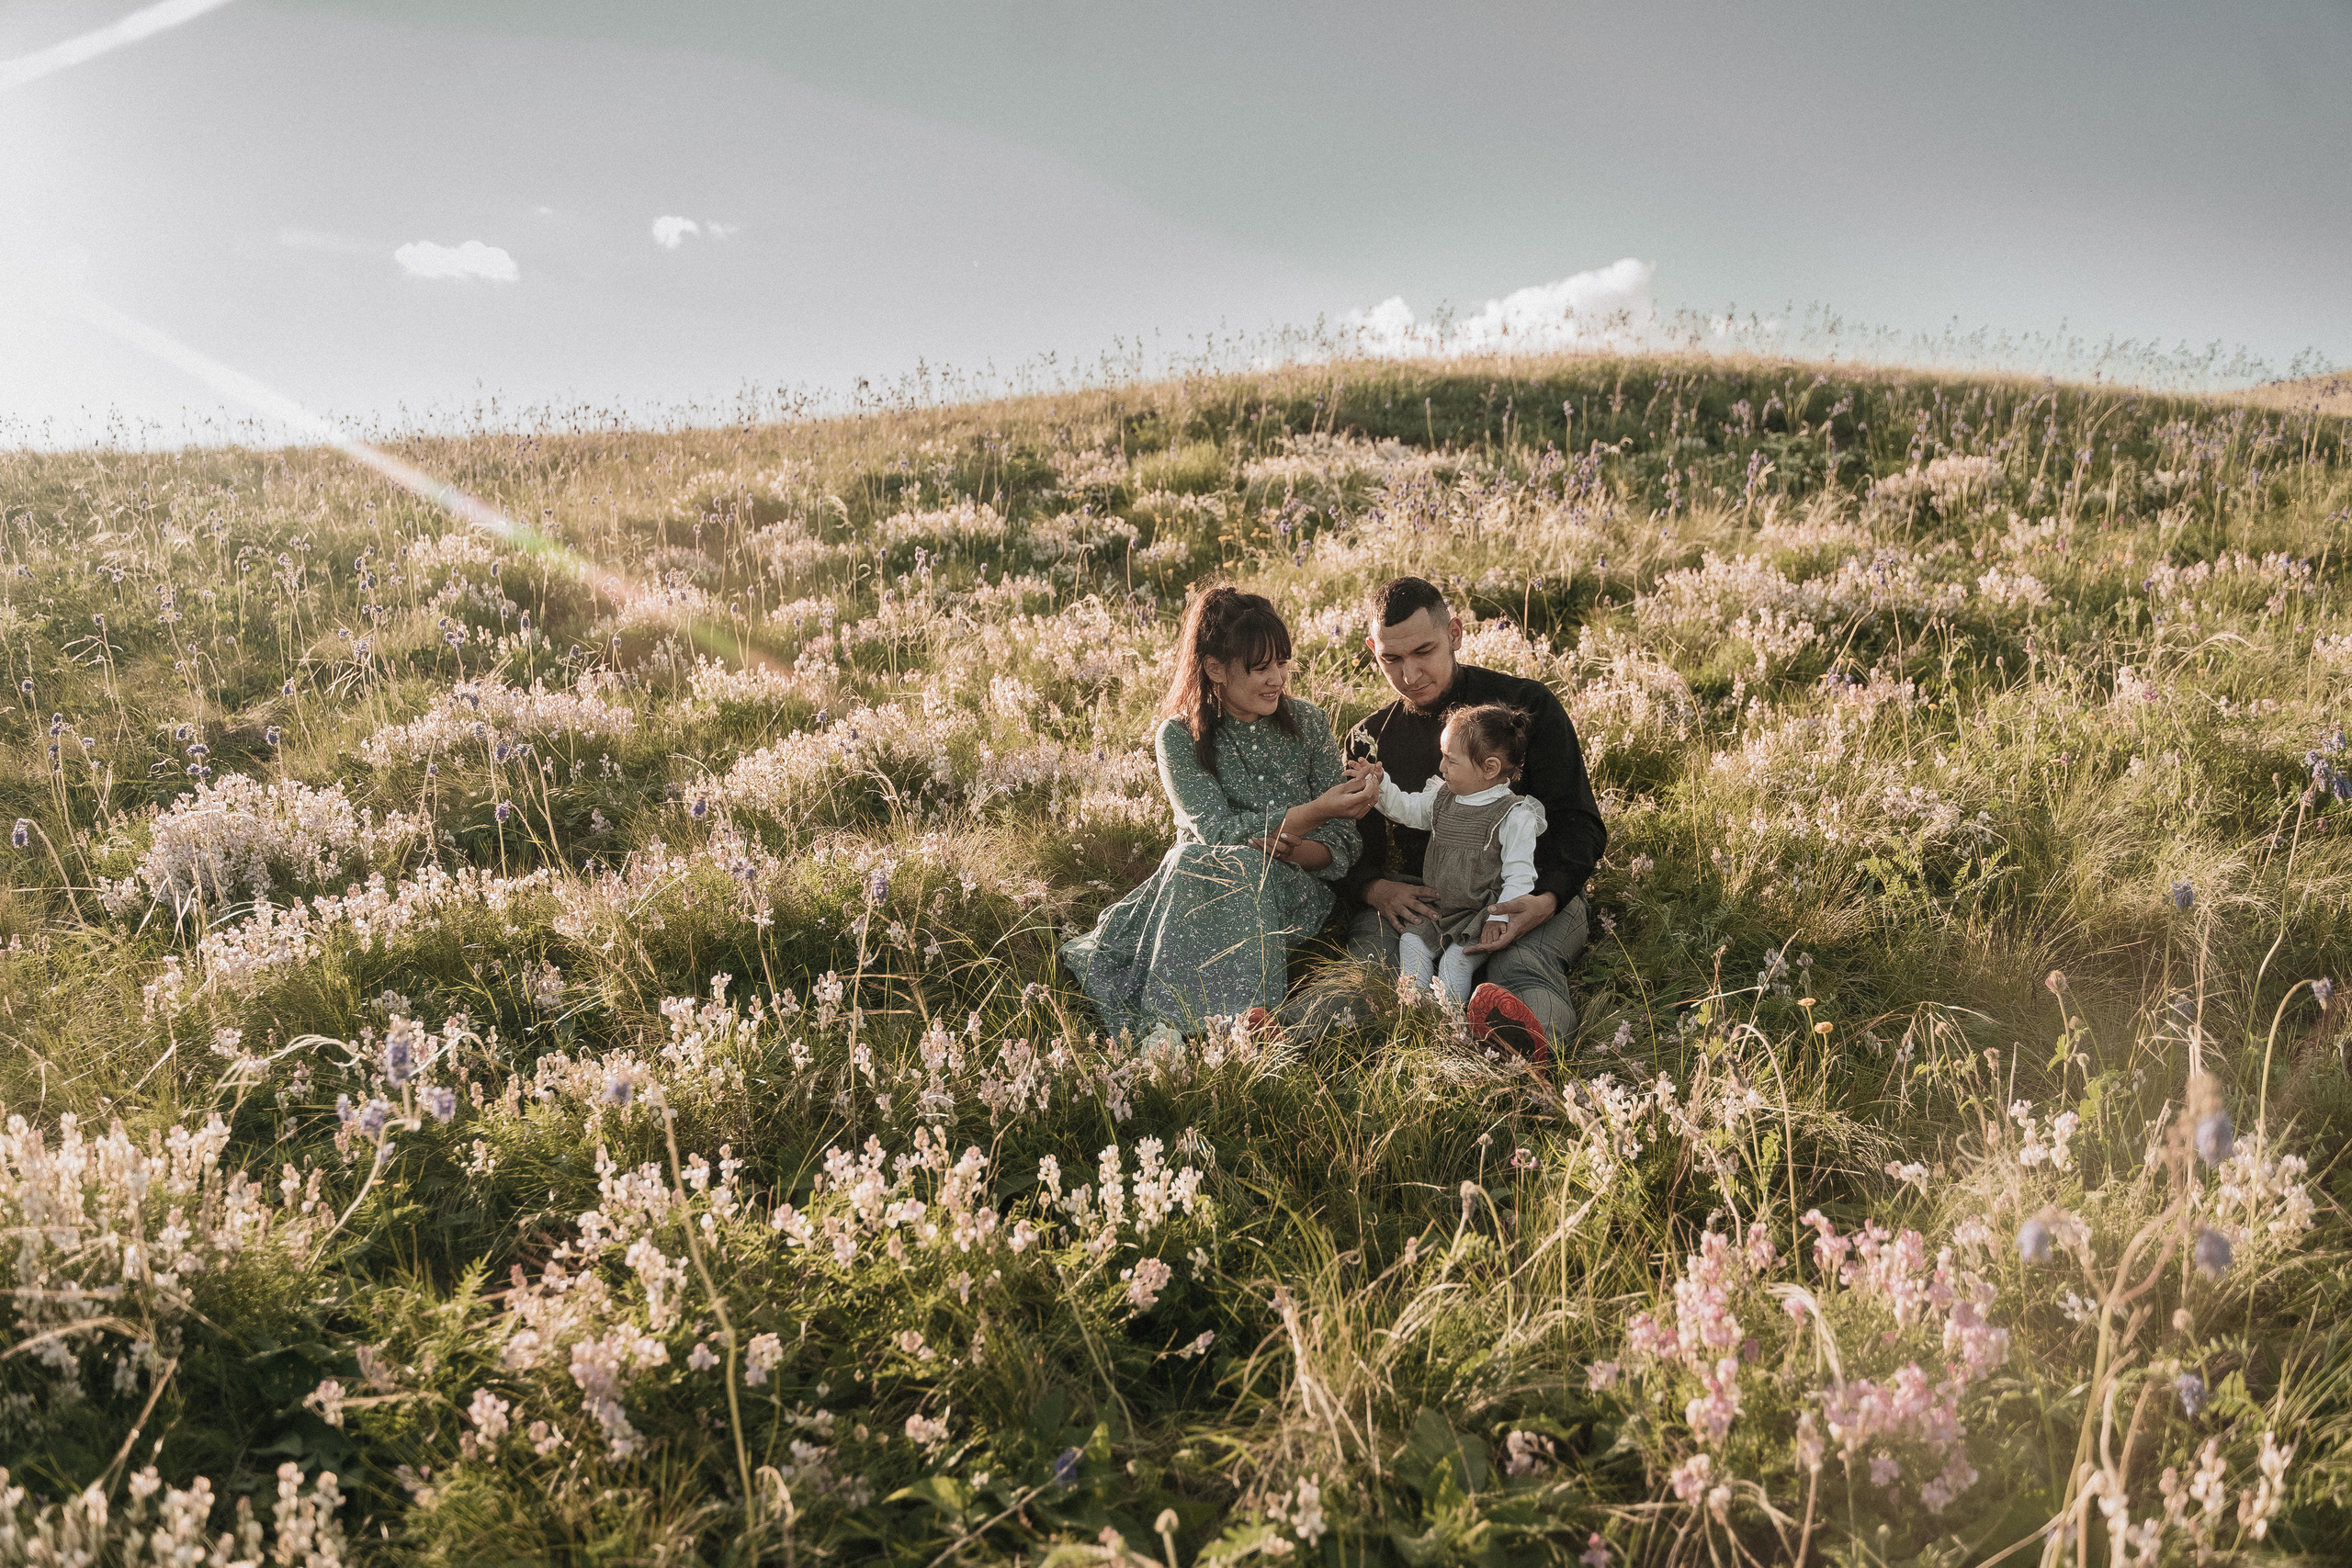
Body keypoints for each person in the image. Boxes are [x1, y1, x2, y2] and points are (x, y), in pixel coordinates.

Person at [1060, 586, 1378, 1038]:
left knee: (1235, 862)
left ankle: (1215, 1030)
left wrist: (1294, 850)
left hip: (1292, 889)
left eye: (1282, 664)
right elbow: (1216, 832)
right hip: (1197, 885)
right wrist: (1314, 812)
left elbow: (1344, 842)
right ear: (1215, 669)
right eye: (1261, 668)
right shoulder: (1178, 736)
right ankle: (1199, 1030)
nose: (1277, 679)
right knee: (1203, 858)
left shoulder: (1309, 723)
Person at [1336, 575, 1606, 1061]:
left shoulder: (1525, 708)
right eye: (1390, 659)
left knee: (1520, 964)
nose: (1410, 675)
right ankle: (1280, 1038)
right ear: (1371, 649)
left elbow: (1578, 822)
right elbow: (1354, 845)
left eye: (1424, 651)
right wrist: (1376, 889)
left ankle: (1523, 1054)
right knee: (1371, 963)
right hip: (1425, 895)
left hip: (1524, 893)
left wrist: (1547, 900)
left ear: (1455, 634)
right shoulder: (1370, 739)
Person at [1351, 702, 1547, 1026]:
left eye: (1451, 760)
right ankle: (1413, 1013)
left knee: (1456, 963)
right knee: (1412, 945)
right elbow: (1407, 809)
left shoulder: (1513, 815)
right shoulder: (1443, 796)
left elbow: (1519, 874)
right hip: (1439, 908)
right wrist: (1380, 783)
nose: (1441, 766)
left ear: (1489, 768)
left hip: (1478, 915)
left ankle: (1450, 1024)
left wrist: (1501, 917)